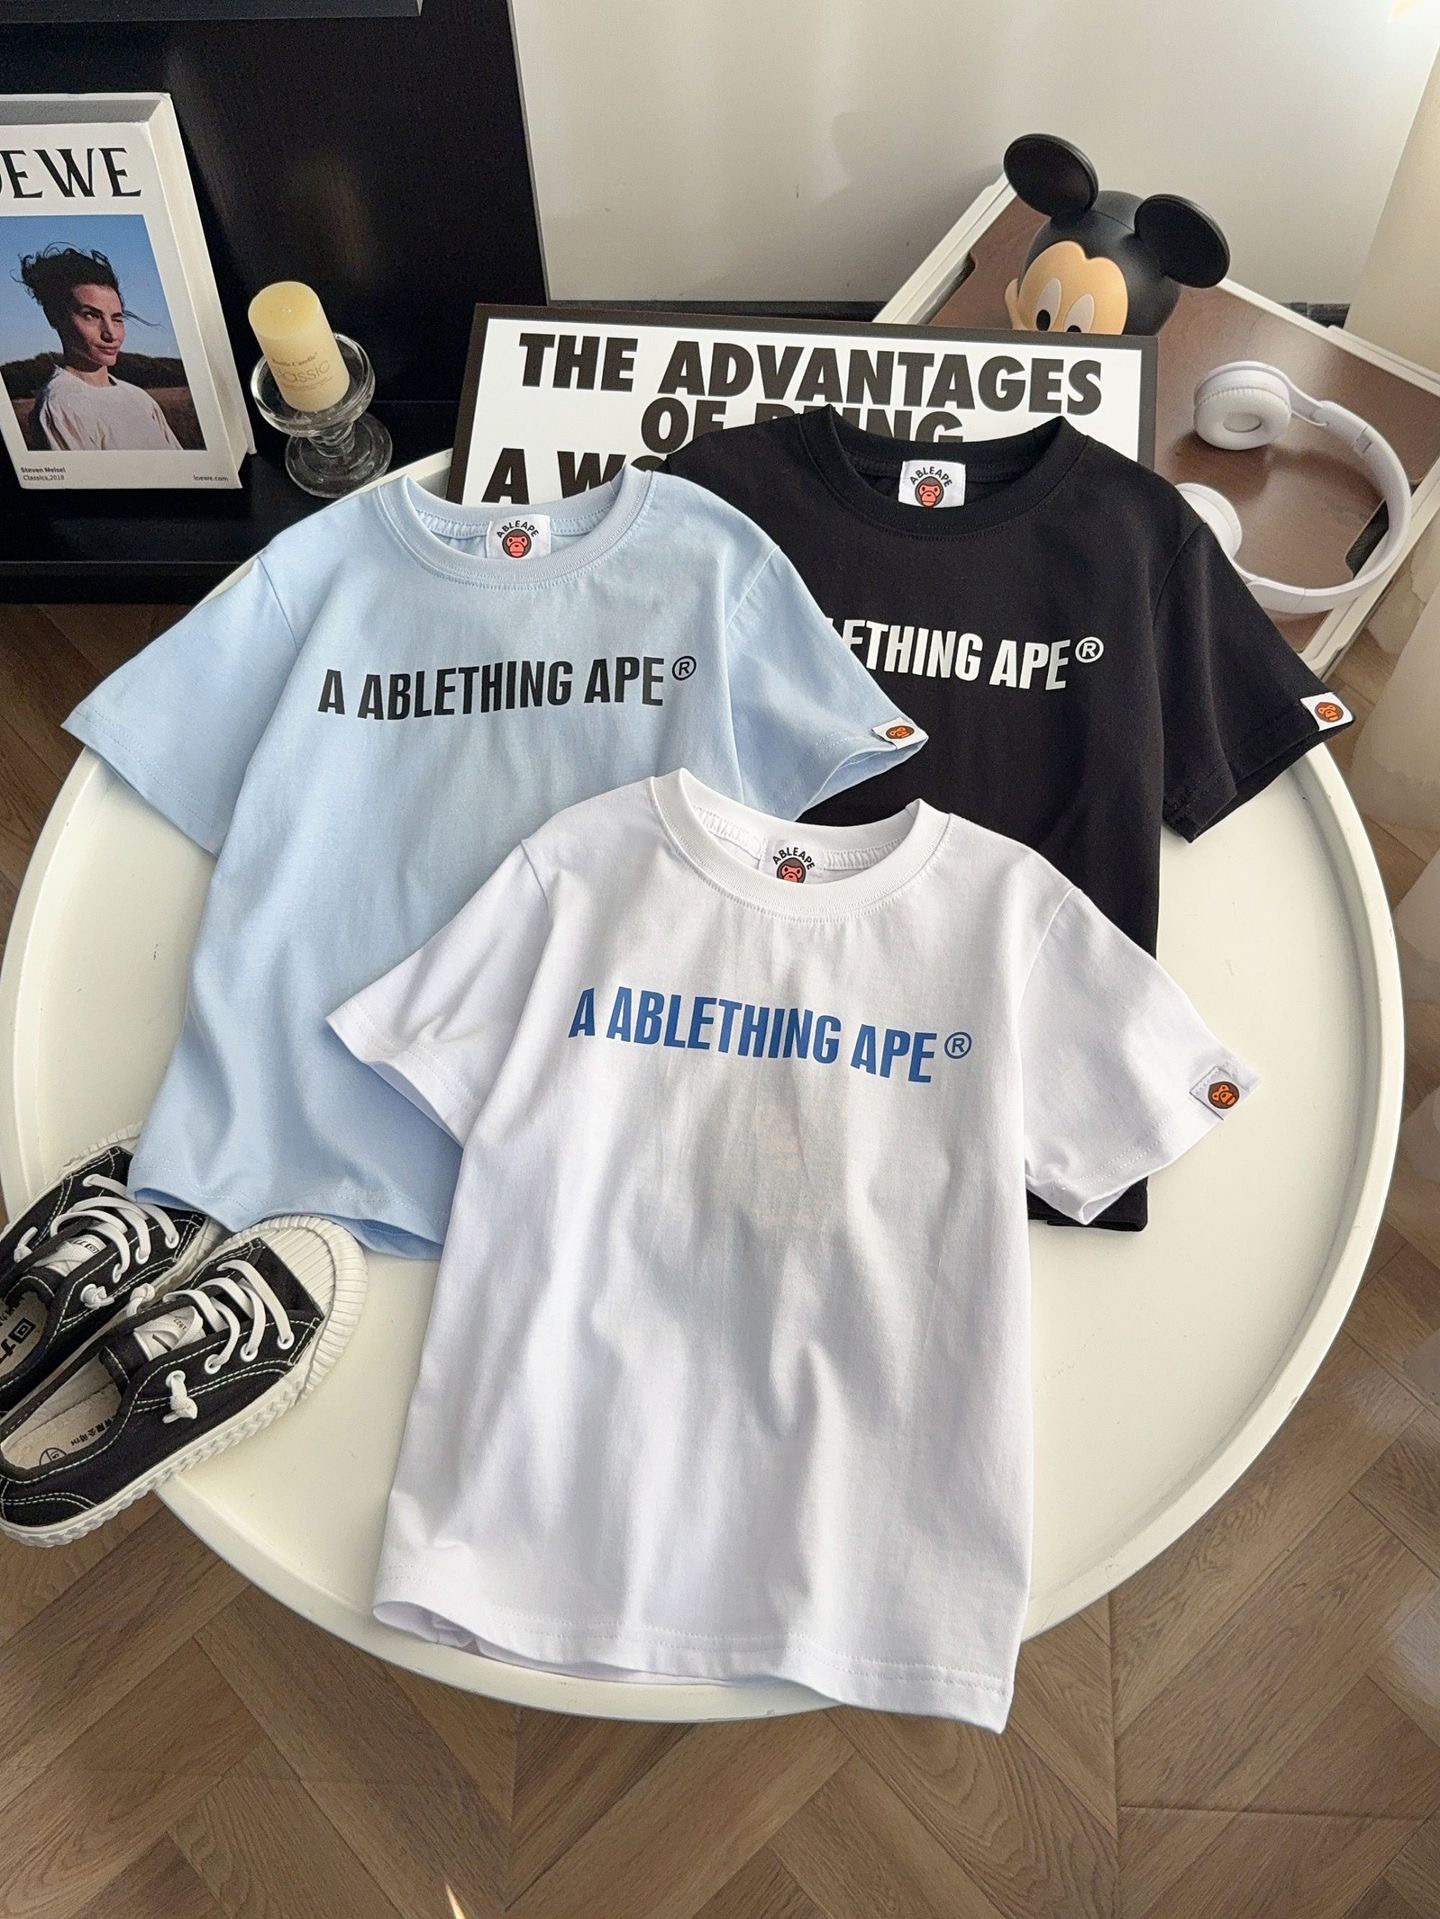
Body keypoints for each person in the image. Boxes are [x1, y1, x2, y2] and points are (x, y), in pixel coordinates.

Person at [18, 244, 182, 452]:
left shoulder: (140, 399)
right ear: (54, 317)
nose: (111, 334)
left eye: (117, 319)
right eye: (91, 315)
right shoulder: (60, 405)